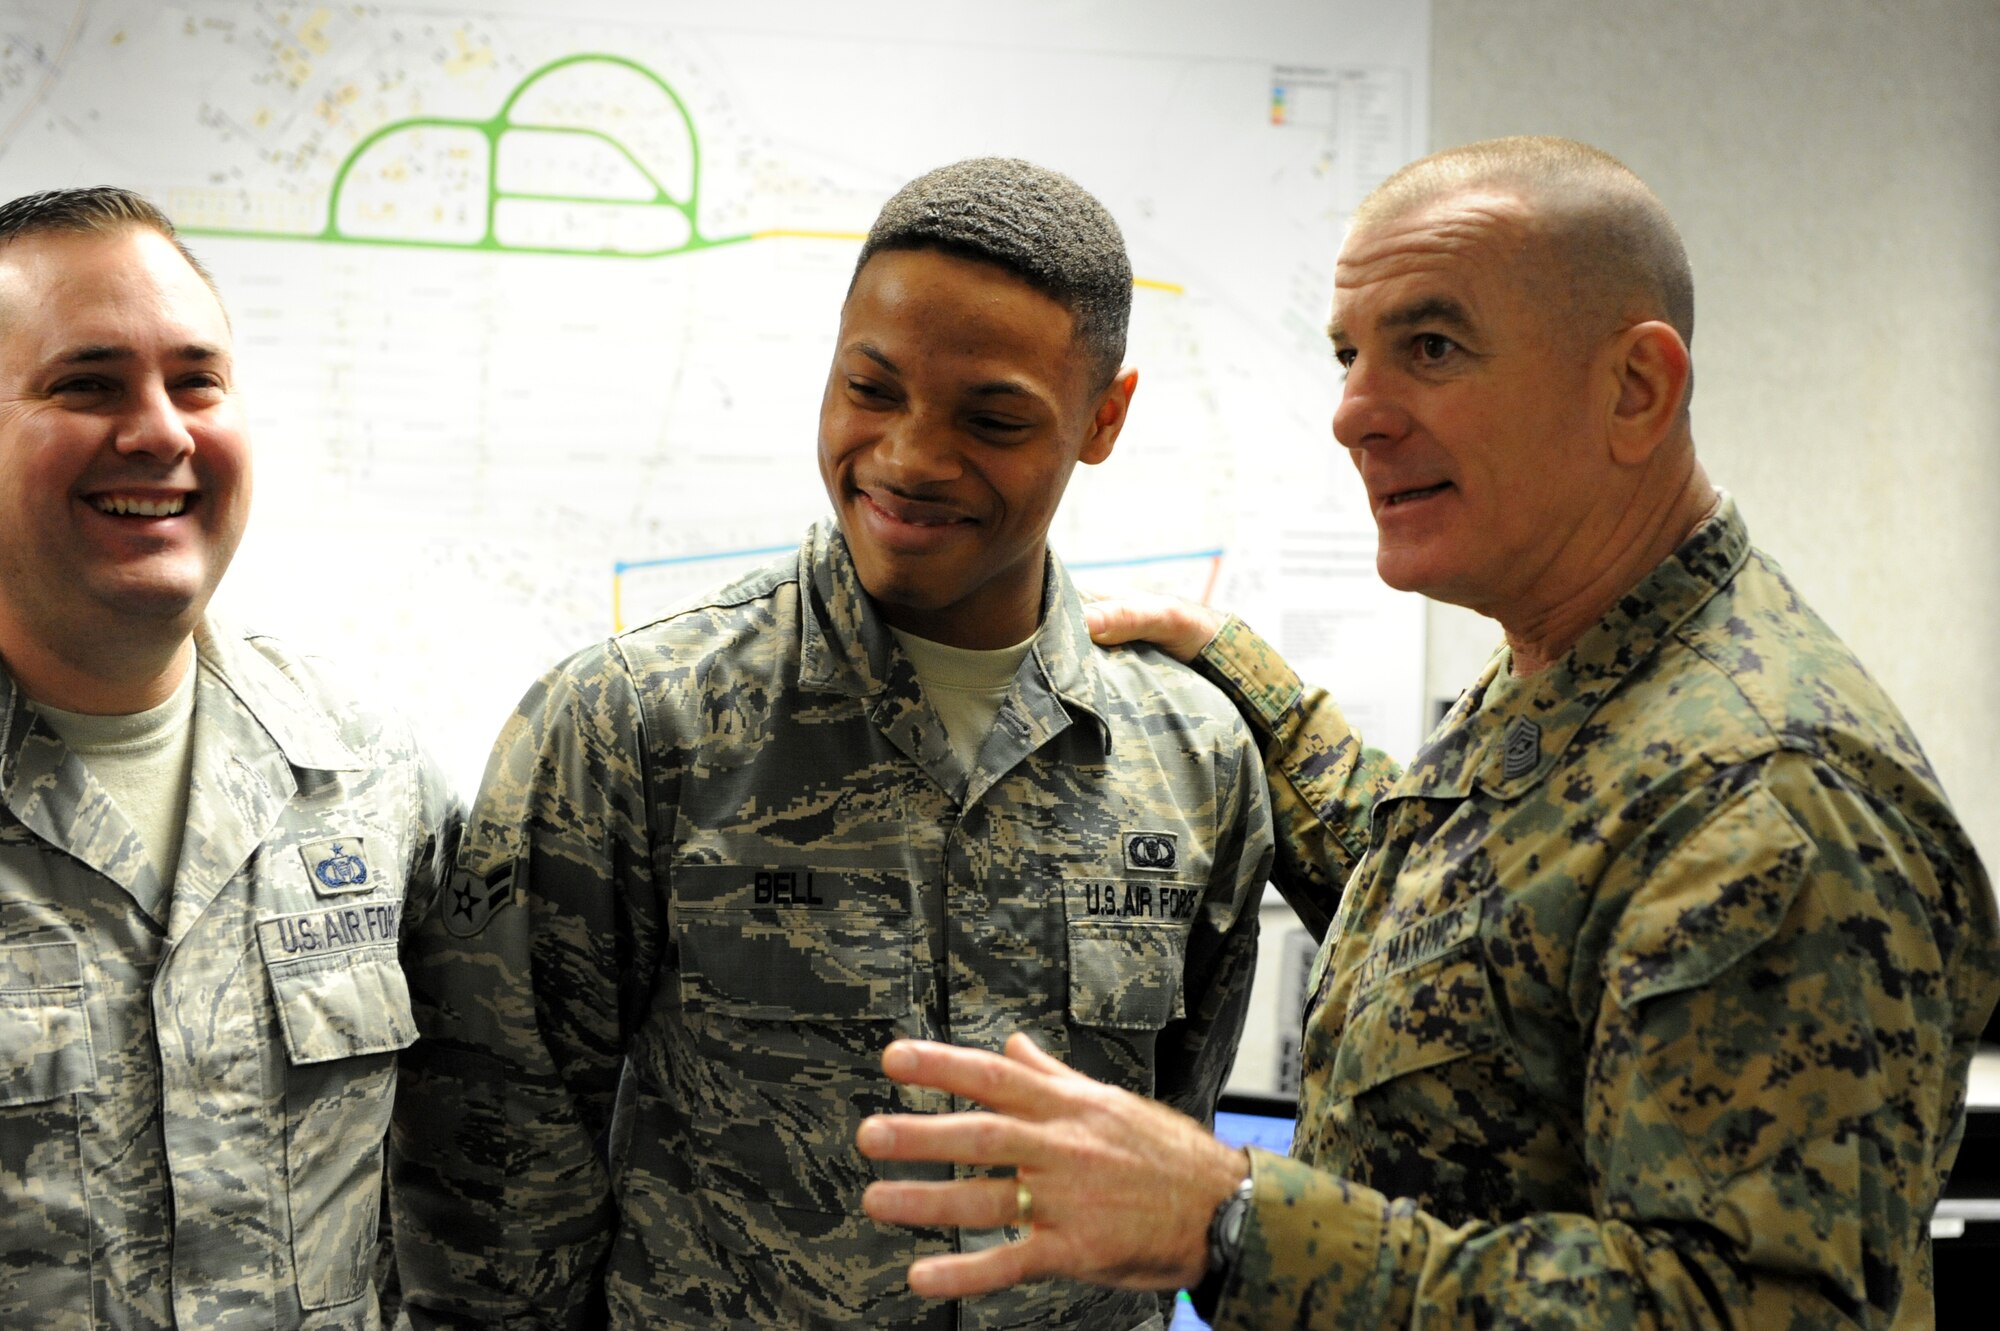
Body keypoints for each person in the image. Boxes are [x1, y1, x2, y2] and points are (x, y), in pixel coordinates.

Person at [854, 136, 2000, 1329]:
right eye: (1348, 355)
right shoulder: (1576, 673)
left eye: (1432, 348)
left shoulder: (1769, 798)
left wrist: (1229, 1220)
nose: (1352, 413)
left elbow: (1743, 1311)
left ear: (1633, 390)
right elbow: (1481, 928)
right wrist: (1242, 675)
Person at [391, 157, 1276, 1329]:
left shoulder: (1193, 759)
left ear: (1101, 418)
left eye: (992, 419)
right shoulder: (632, 726)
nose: (908, 457)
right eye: (870, 388)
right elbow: (493, 1206)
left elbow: (1171, 1165)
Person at [0, 187, 458, 1331]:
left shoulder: (370, 776)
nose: (160, 431)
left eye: (196, 380)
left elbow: (492, 1177)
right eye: (87, 383)